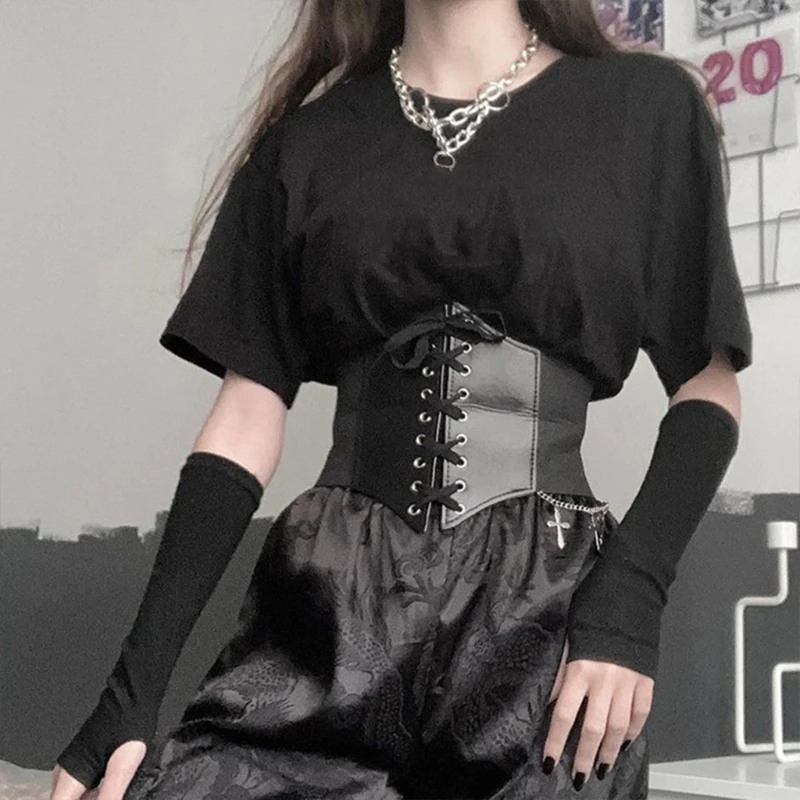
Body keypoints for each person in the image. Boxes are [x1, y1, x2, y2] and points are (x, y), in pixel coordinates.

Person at [50, 0, 753, 798]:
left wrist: (628, 602)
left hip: (545, 614)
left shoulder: (645, 108)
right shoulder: (304, 143)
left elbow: (707, 385)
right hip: (330, 610)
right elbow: (245, 417)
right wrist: (130, 694)